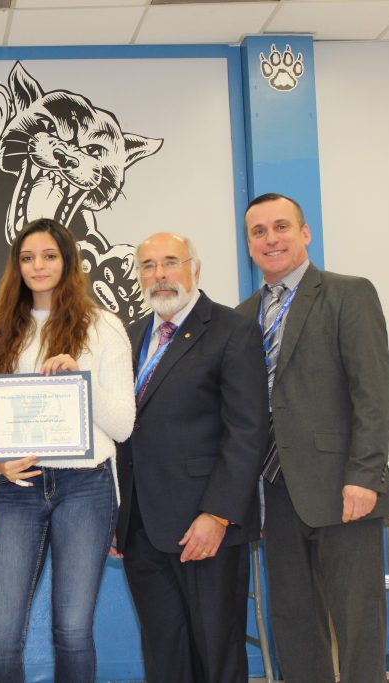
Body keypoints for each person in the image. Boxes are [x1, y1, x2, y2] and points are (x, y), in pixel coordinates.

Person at [237, 193, 389, 682]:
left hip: (344, 490)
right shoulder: (241, 317)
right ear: (249, 245)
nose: (271, 239)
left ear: (305, 233)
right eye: (258, 232)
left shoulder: (349, 293)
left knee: (357, 626)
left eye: (281, 227)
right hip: (275, 495)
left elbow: (372, 391)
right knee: (293, 625)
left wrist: (364, 476)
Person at [0, 218, 135, 683]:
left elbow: (124, 426)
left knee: (72, 629)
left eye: (49, 256)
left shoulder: (102, 325)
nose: (37, 266)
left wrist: (77, 385)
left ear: (68, 261)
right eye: (27, 258)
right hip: (19, 485)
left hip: (86, 486)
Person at [113, 232, 268, 682]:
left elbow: (247, 430)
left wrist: (218, 514)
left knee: (215, 652)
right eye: (147, 266)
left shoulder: (232, 329)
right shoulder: (133, 334)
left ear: (194, 269)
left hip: (203, 526)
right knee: (165, 654)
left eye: (170, 262)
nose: (159, 275)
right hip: (142, 527)